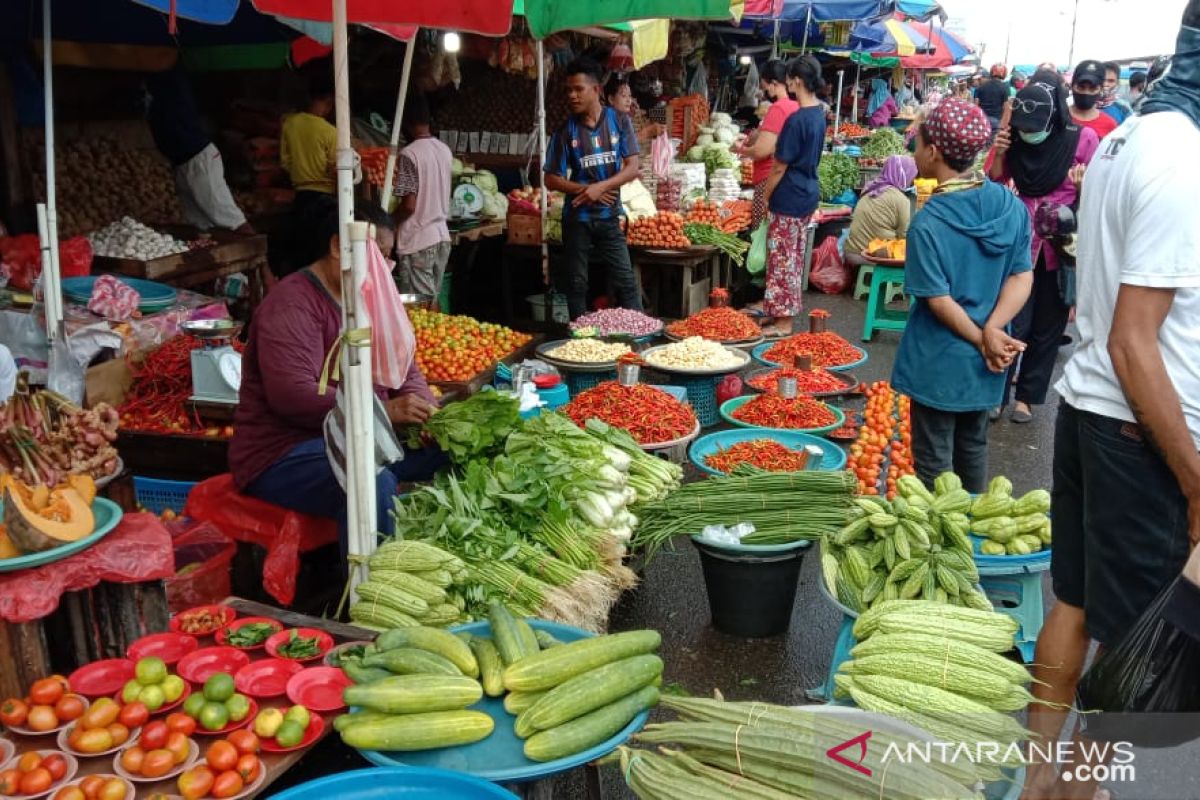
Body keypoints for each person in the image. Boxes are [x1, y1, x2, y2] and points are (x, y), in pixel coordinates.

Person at [1023, 4, 1200, 797]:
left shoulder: (1130, 137)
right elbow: (1138, 340)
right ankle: (1069, 790)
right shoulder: (1182, 159)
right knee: (1127, 658)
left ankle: (1037, 781)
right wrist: (1196, 483)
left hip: (1092, 412)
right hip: (1141, 435)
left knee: (1074, 601)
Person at [230, 203, 445, 544]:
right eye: (379, 255)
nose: (385, 268)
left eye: (389, 258)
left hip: (367, 434)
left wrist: (432, 413)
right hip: (285, 454)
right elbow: (292, 394)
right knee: (371, 481)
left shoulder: (368, 298)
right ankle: (372, 590)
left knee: (457, 448)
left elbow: (403, 369)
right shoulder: (291, 304)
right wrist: (383, 412)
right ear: (337, 247)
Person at [891, 98, 1032, 493]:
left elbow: (937, 300)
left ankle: (940, 545)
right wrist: (994, 328)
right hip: (986, 363)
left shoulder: (929, 223)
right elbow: (1022, 275)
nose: (914, 152)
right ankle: (969, 540)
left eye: (916, 144)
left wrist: (980, 336)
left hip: (939, 361)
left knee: (934, 462)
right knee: (973, 447)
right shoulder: (1011, 207)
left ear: (933, 152)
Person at [988, 70, 1098, 424]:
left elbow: (1098, 194)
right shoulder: (1018, 133)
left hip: (1061, 248)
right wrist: (1001, 149)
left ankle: (1027, 399)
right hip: (1020, 244)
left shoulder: (1083, 139)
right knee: (1010, 322)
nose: (1029, 132)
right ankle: (997, 395)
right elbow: (996, 178)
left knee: (1047, 327)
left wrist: (1084, 187)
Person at [543, 58, 642, 320]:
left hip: (609, 217)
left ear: (596, 90)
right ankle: (579, 342)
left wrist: (601, 188)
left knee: (626, 281)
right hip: (577, 219)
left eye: (578, 89)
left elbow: (633, 167)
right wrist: (583, 189)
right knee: (576, 285)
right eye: (569, 90)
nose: (572, 96)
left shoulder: (620, 121)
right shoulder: (565, 131)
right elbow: (550, 179)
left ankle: (642, 336)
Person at [760, 56, 826, 338]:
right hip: (807, 192)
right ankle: (779, 314)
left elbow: (778, 166)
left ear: (797, 80)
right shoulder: (819, 114)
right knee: (793, 258)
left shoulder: (797, 119)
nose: (787, 82)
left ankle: (783, 322)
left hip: (788, 195)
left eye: (789, 77)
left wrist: (765, 195)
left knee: (782, 260)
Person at [144, 66, 252, 234]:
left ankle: (259, 256)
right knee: (199, 226)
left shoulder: (168, 74)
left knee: (231, 219)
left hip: (198, 158)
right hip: (181, 162)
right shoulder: (149, 80)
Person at [276, 70, 339, 278]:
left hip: (301, 197)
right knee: (320, 253)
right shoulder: (330, 132)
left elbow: (285, 162)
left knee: (301, 253)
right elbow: (336, 170)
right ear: (329, 102)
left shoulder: (290, 123)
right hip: (324, 199)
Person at [393, 94, 452, 299]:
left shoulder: (410, 154)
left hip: (418, 239)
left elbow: (409, 205)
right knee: (433, 299)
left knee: (421, 307)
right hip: (442, 236)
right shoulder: (444, 150)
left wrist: (390, 221)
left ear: (406, 124)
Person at [733, 60, 798, 230]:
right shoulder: (796, 106)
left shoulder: (778, 108)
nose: (766, 91)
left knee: (761, 232)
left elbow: (762, 151)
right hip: (786, 180)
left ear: (775, 83)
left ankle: (761, 258)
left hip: (768, 179)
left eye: (766, 87)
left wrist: (740, 149)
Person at [844, 155, 917, 265]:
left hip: (850, 253)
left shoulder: (870, 188)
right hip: (869, 256)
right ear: (904, 175)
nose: (912, 181)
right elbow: (904, 235)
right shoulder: (901, 200)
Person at [1067, 59, 1118, 140]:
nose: (1086, 92)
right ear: (1072, 86)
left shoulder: (1110, 125)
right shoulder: (1059, 116)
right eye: (1081, 87)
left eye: (1093, 88)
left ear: (1101, 89)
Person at [976, 64, 1011, 132]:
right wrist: (1003, 126)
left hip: (982, 119)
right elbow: (1006, 108)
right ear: (1004, 74)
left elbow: (976, 104)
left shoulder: (981, 87)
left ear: (991, 72)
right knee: (993, 141)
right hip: (996, 121)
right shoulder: (1005, 88)